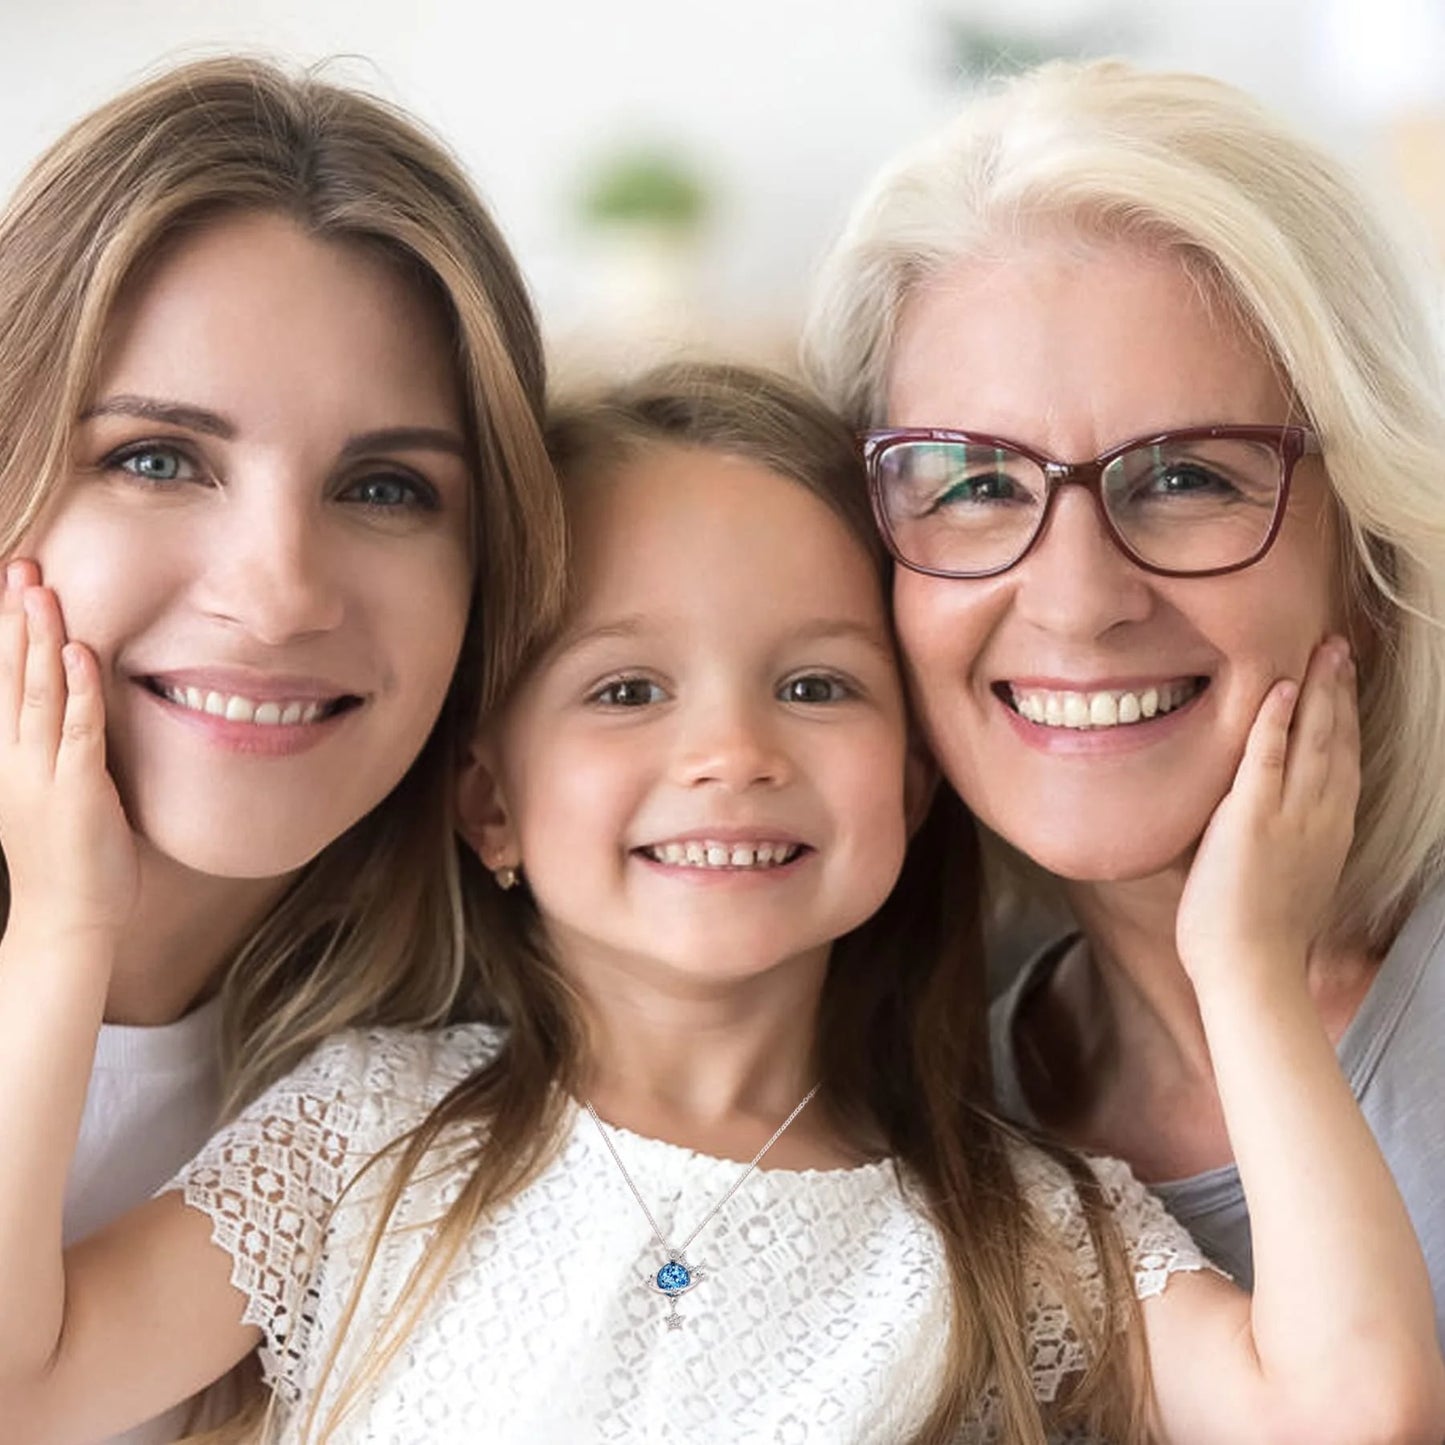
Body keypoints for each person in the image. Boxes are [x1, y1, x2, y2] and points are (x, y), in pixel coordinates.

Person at [1, 362, 1440, 1445]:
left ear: (915, 780)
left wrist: (1242, 968)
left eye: (816, 686)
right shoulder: (363, 1137)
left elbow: (1353, 1410)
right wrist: (64, 928)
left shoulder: (1019, 1227)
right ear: (489, 799)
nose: (734, 754)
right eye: (627, 690)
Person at [803, 59, 1445, 1339]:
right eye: (972, 483)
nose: (1075, 597)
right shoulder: (899, 1144)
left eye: (1189, 476)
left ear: (1366, 551)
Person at [0, 56, 563, 1444]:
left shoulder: (469, 1090)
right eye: (157, 458)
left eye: (385, 488)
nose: (278, 592)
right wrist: (64, 937)